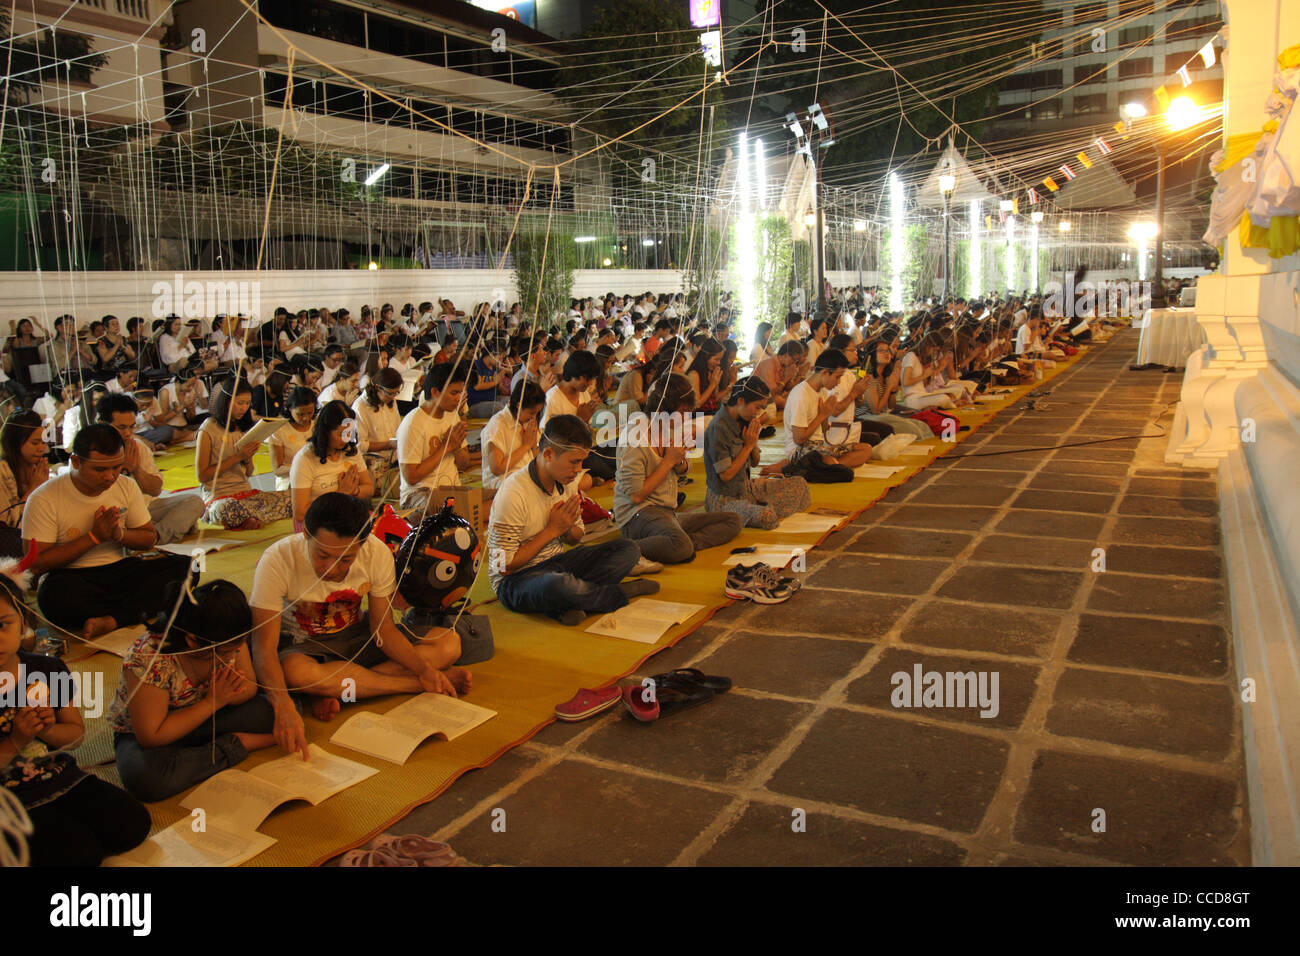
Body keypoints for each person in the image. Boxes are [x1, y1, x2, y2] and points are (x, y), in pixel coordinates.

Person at [250, 493, 467, 758]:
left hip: (359, 636)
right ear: (306, 534)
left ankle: (340, 688)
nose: (332, 569)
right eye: (323, 555)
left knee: (448, 644)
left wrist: (424, 669)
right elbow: (263, 647)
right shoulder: (277, 559)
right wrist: (283, 705)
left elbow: (382, 630)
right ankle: (408, 685)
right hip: (306, 646)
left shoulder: (375, 553)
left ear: (362, 545)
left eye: (345, 559)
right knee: (297, 674)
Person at [0, 565, 152, 865]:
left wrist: (45, 730)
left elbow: (75, 735)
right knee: (79, 854)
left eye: (3, 624)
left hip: (58, 776)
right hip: (9, 799)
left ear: (23, 621)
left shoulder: (46, 671)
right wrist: (17, 739)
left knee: (133, 824)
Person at [109, 579, 276, 801]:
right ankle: (236, 744)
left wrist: (225, 696)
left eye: (238, 648)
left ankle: (193, 754)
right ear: (192, 641)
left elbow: (249, 688)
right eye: (227, 652)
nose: (233, 655)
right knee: (145, 777)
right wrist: (212, 702)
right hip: (153, 732)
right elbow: (151, 735)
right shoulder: (150, 660)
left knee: (272, 713)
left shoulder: (229, 637)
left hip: (207, 716)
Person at [23, 423, 192, 638]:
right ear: (75, 461)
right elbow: (35, 563)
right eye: (100, 469)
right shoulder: (44, 498)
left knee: (188, 567)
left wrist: (119, 535)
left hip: (119, 570)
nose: (110, 477)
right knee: (53, 597)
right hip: (72, 579)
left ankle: (113, 620)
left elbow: (149, 538)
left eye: (117, 468)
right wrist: (93, 537)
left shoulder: (126, 485)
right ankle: (134, 610)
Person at [486, 414, 655, 626]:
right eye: (574, 462)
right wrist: (552, 531)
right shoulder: (513, 493)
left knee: (628, 549)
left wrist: (566, 529)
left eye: (582, 462)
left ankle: (569, 603)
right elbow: (503, 566)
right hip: (517, 580)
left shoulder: (565, 481)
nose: (578, 470)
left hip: (557, 564)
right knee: (556, 585)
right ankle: (614, 594)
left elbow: (576, 537)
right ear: (548, 454)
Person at [614, 374, 741, 564]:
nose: (685, 418)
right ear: (663, 409)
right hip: (637, 514)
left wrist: (678, 461)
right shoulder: (635, 438)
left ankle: (676, 542)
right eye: (682, 412)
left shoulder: (664, 426)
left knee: (733, 521)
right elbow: (636, 496)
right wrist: (669, 461)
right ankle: (625, 549)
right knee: (681, 546)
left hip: (666, 511)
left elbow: (684, 467)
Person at [703, 377, 810, 530]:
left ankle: (755, 507)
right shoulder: (718, 428)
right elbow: (726, 475)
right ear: (740, 401)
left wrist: (753, 443)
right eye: (757, 407)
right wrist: (748, 446)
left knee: (800, 485)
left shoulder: (744, 419)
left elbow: (754, 463)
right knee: (768, 517)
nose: (758, 413)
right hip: (724, 500)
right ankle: (758, 509)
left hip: (747, 489)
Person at [98, 393, 205, 545]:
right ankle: (142, 535)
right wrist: (122, 470)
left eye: (131, 427)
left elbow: (155, 490)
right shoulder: (91, 452)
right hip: (112, 514)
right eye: (121, 427)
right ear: (102, 423)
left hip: (145, 509)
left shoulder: (138, 447)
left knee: (194, 501)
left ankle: (155, 537)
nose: (128, 433)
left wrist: (135, 469)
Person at [196, 377, 293, 530]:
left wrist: (247, 458)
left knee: (292, 498)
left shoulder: (243, 428)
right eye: (239, 403)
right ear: (227, 401)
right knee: (227, 509)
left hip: (246, 494)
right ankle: (250, 517)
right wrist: (238, 457)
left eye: (247, 404)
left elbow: (248, 472)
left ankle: (250, 518)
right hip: (219, 498)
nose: (244, 408)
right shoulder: (208, 428)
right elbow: (202, 475)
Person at [396, 363, 471, 512]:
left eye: (460, 393)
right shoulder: (413, 423)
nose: (458, 399)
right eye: (454, 393)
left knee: (498, 498)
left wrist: (456, 448)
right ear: (436, 392)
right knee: (445, 507)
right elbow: (411, 477)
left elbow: (464, 464)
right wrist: (446, 447)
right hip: (420, 495)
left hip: (451, 490)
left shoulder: (452, 415)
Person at [289, 400, 373, 528]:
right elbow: (300, 513)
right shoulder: (305, 459)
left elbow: (369, 488)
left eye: (349, 433)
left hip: (347, 516)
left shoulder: (351, 451)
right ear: (325, 432)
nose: (346, 438)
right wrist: (341, 494)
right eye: (341, 434)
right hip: (320, 524)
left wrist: (354, 490)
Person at [481, 379, 544, 492]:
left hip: (525, 476)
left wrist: (534, 445)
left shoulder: (528, 423)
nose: (534, 417)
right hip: (502, 483)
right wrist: (525, 446)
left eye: (537, 413)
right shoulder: (498, 424)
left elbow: (538, 461)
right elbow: (497, 468)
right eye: (532, 413)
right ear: (519, 406)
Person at [0, 410, 49, 533]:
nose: (41, 448)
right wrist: (33, 489)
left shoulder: (36, 470)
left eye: (43, 442)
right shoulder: (2, 473)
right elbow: (7, 526)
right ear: (15, 443)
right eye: (35, 443)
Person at [270, 387, 317, 491]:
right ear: (290, 409)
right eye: (300, 414)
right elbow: (277, 470)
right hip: (289, 478)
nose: (306, 418)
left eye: (310, 413)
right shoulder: (279, 430)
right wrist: (302, 468)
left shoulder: (317, 425)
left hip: (317, 475)